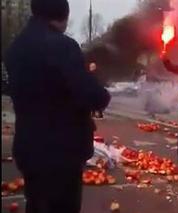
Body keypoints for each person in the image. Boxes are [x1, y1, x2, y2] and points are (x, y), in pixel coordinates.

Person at [4, 0, 110, 212]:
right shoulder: (63, 46)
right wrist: (97, 86)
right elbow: (92, 95)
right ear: (62, 15)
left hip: (29, 148)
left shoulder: (15, 48)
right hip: (62, 153)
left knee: (36, 203)